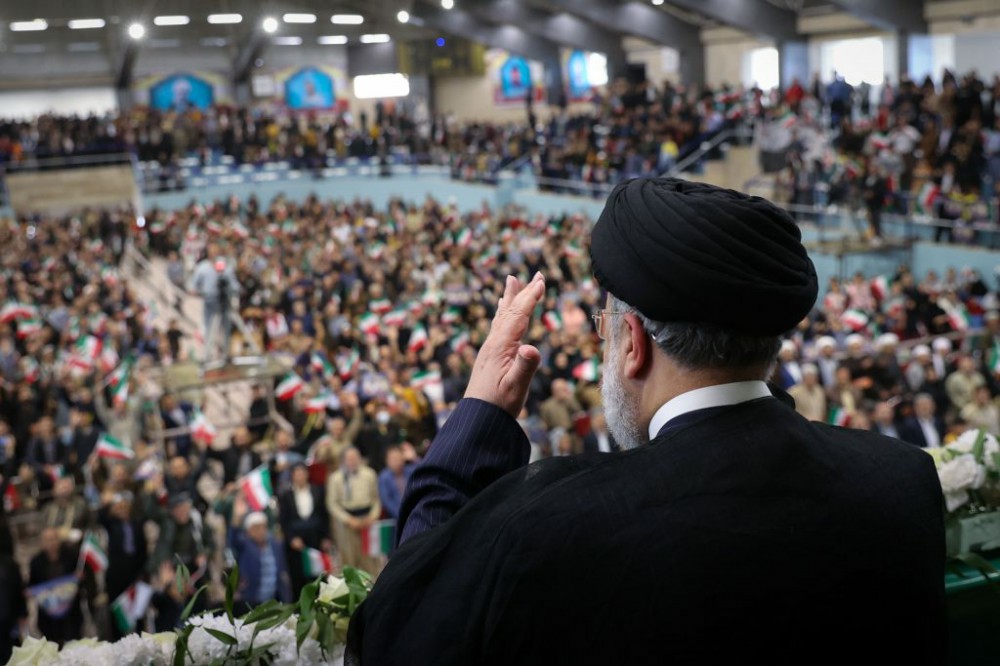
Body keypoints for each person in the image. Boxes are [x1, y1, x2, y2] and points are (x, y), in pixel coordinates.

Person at [346, 178, 945, 664]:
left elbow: (397, 630)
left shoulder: (551, 523)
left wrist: (477, 419)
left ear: (632, 341)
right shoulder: (901, 481)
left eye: (607, 328)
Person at [278, 463, 331, 597]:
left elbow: (325, 515)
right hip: (297, 543)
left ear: (307, 474)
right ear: (292, 476)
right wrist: (291, 538)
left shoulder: (318, 491)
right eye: (296, 473)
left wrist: (326, 537)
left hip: (316, 539)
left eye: (302, 473)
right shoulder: (286, 496)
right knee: (298, 577)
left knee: (319, 577)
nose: (300, 476)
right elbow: (284, 521)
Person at [326, 447, 381, 572]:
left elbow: (376, 499)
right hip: (347, 522)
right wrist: (348, 519)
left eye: (355, 458)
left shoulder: (369, 474)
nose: (353, 461)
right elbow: (332, 504)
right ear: (343, 461)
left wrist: (373, 516)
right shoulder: (335, 478)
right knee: (349, 559)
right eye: (349, 459)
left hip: (367, 519)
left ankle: (374, 588)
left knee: (371, 559)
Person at [231, 508, 292, 612]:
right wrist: (236, 517)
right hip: (251, 600)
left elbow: (283, 570)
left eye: (263, 527)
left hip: (274, 599)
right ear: (249, 531)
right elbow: (233, 538)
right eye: (256, 528)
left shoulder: (275, 544)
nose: (261, 531)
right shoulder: (245, 545)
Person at [377, 446, 417, 520]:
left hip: (416, 512)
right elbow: (387, 501)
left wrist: (414, 458)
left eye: (399, 458)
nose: (398, 461)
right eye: (394, 459)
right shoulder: (384, 477)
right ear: (387, 461)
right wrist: (403, 515)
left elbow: (426, 470)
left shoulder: (411, 470)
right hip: (397, 518)